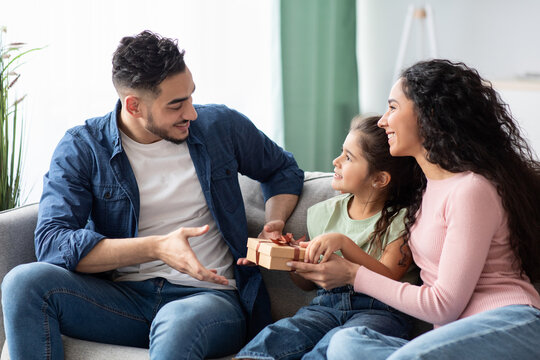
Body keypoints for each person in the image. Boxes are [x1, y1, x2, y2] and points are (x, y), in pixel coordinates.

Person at [0, 30, 304, 360]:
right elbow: (53, 243)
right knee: (22, 283)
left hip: (207, 298)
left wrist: (274, 220)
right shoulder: (83, 147)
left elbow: (282, 169)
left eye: (190, 96)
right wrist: (157, 247)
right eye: (176, 105)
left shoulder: (221, 127)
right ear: (133, 105)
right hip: (121, 298)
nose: (191, 113)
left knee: (177, 323)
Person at [289, 59, 540, 360]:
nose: (382, 121)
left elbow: (444, 306)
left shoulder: (472, 189)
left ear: (428, 114)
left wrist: (353, 275)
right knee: (346, 345)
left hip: (509, 324)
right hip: (450, 341)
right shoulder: (426, 190)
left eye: (393, 108)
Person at [234, 115, 422, 360]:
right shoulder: (324, 213)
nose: (336, 161)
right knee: (277, 336)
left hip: (380, 312)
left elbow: (388, 278)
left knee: (331, 348)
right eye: (341, 153)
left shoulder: (404, 219)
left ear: (379, 179)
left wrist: (344, 243)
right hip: (324, 307)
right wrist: (296, 259)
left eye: (348, 157)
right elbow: (308, 285)